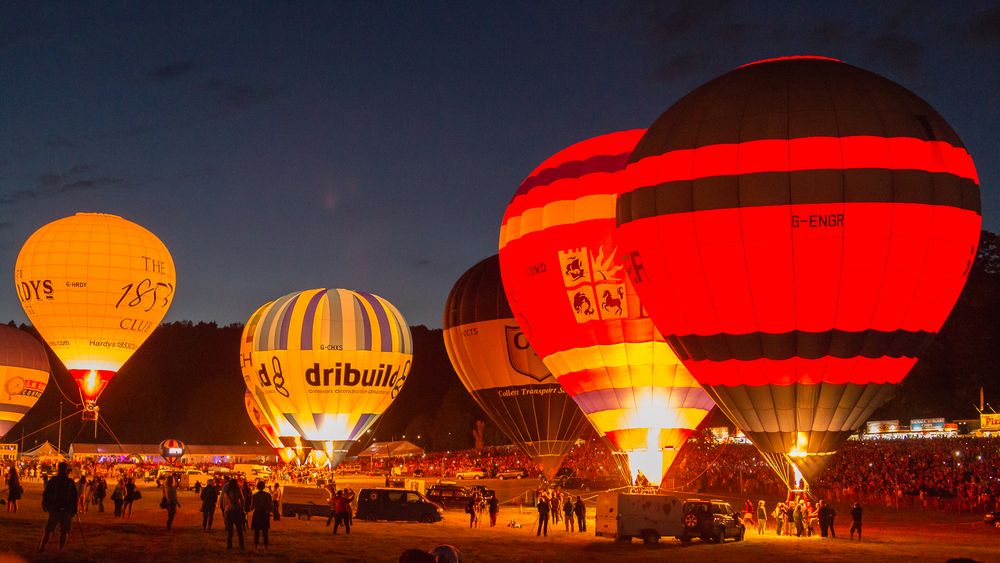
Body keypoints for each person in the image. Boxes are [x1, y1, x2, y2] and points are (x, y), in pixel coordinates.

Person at [38, 462, 78, 553]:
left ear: (58, 469)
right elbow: (75, 497)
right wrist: (74, 509)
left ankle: (42, 547)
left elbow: (46, 494)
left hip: (55, 509)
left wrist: (46, 505)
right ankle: (60, 549)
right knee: (64, 530)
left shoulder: (54, 480)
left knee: (49, 529)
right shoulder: (70, 482)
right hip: (66, 509)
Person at [221, 476, 247, 550]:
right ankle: (241, 545)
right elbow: (242, 500)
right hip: (237, 511)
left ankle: (229, 546)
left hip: (228, 511)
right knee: (239, 530)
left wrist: (225, 509)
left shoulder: (227, 491)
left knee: (230, 530)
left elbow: (223, 502)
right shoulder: (238, 490)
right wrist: (242, 509)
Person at [250, 481, 273, 550]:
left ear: (257, 487)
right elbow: (271, 506)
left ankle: (256, 547)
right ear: (264, 486)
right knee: (265, 532)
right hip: (265, 514)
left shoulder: (254, 496)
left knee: (256, 532)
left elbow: (251, 507)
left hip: (257, 514)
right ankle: (266, 547)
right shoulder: (268, 495)